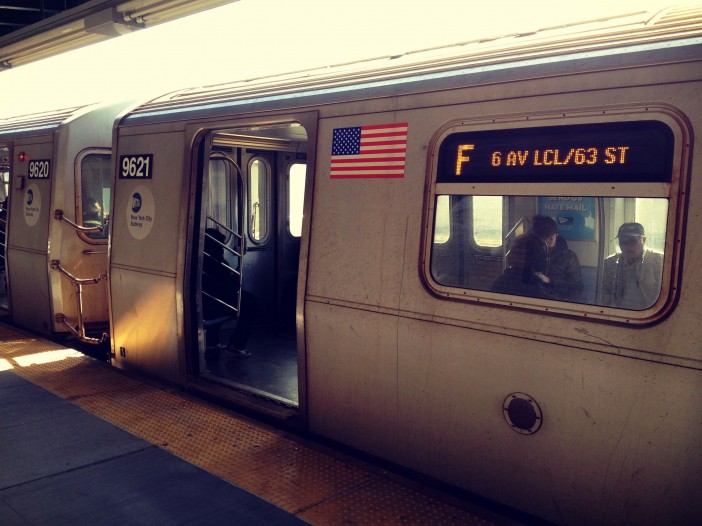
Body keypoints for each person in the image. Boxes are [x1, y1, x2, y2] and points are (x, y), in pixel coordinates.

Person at [491, 215, 583, 301]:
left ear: (556, 235)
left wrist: (550, 281)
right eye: (545, 236)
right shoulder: (529, 251)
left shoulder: (568, 257)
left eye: (552, 235)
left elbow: (577, 289)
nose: (549, 239)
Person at [202, 228, 256, 356]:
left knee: (224, 298)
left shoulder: (203, 258)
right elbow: (233, 284)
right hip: (215, 303)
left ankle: (212, 341)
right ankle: (236, 344)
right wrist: (237, 274)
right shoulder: (214, 261)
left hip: (209, 300)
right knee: (250, 303)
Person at [601, 222, 663, 310]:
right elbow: (605, 298)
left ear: (643, 240)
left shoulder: (659, 261)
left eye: (633, 241)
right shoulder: (610, 263)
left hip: (649, 317)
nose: (628, 247)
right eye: (623, 242)